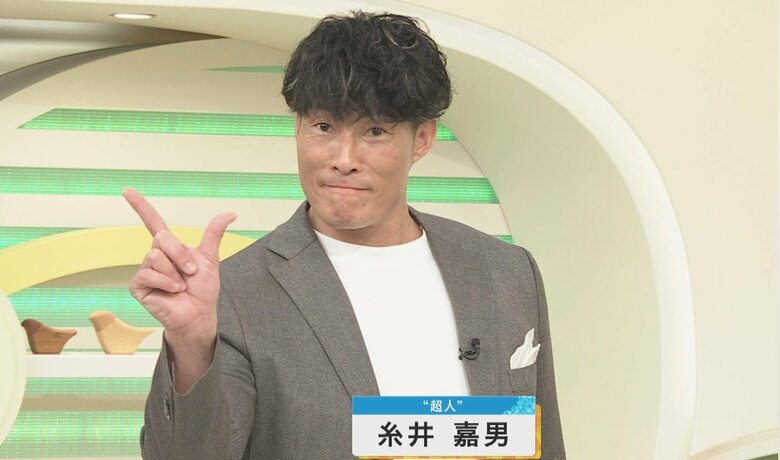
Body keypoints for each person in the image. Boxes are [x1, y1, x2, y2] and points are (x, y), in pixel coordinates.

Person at [127, 11, 565, 459]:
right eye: (324, 127)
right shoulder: (237, 291)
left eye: (375, 132)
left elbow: (541, 445)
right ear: (298, 128)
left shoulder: (505, 271)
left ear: (422, 139)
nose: (344, 159)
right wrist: (192, 342)